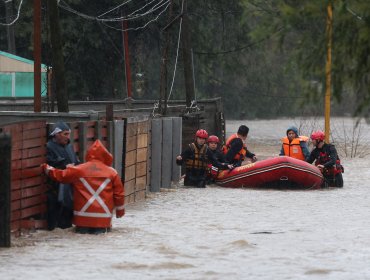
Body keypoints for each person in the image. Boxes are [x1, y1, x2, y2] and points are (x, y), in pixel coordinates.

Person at [42, 139, 125, 234]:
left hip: (82, 219)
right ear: (106, 156)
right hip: (103, 220)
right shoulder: (112, 172)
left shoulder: (79, 170)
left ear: (89, 154)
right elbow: (119, 194)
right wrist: (120, 211)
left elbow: (61, 176)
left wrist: (47, 168)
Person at [46, 121, 80, 230]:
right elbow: (49, 164)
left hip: (71, 188)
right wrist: (65, 166)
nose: (68, 137)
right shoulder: (49, 147)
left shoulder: (69, 147)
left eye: (69, 134)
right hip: (55, 189)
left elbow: (76, 162)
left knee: (68, 214)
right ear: (56, 134)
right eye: (65, 134)